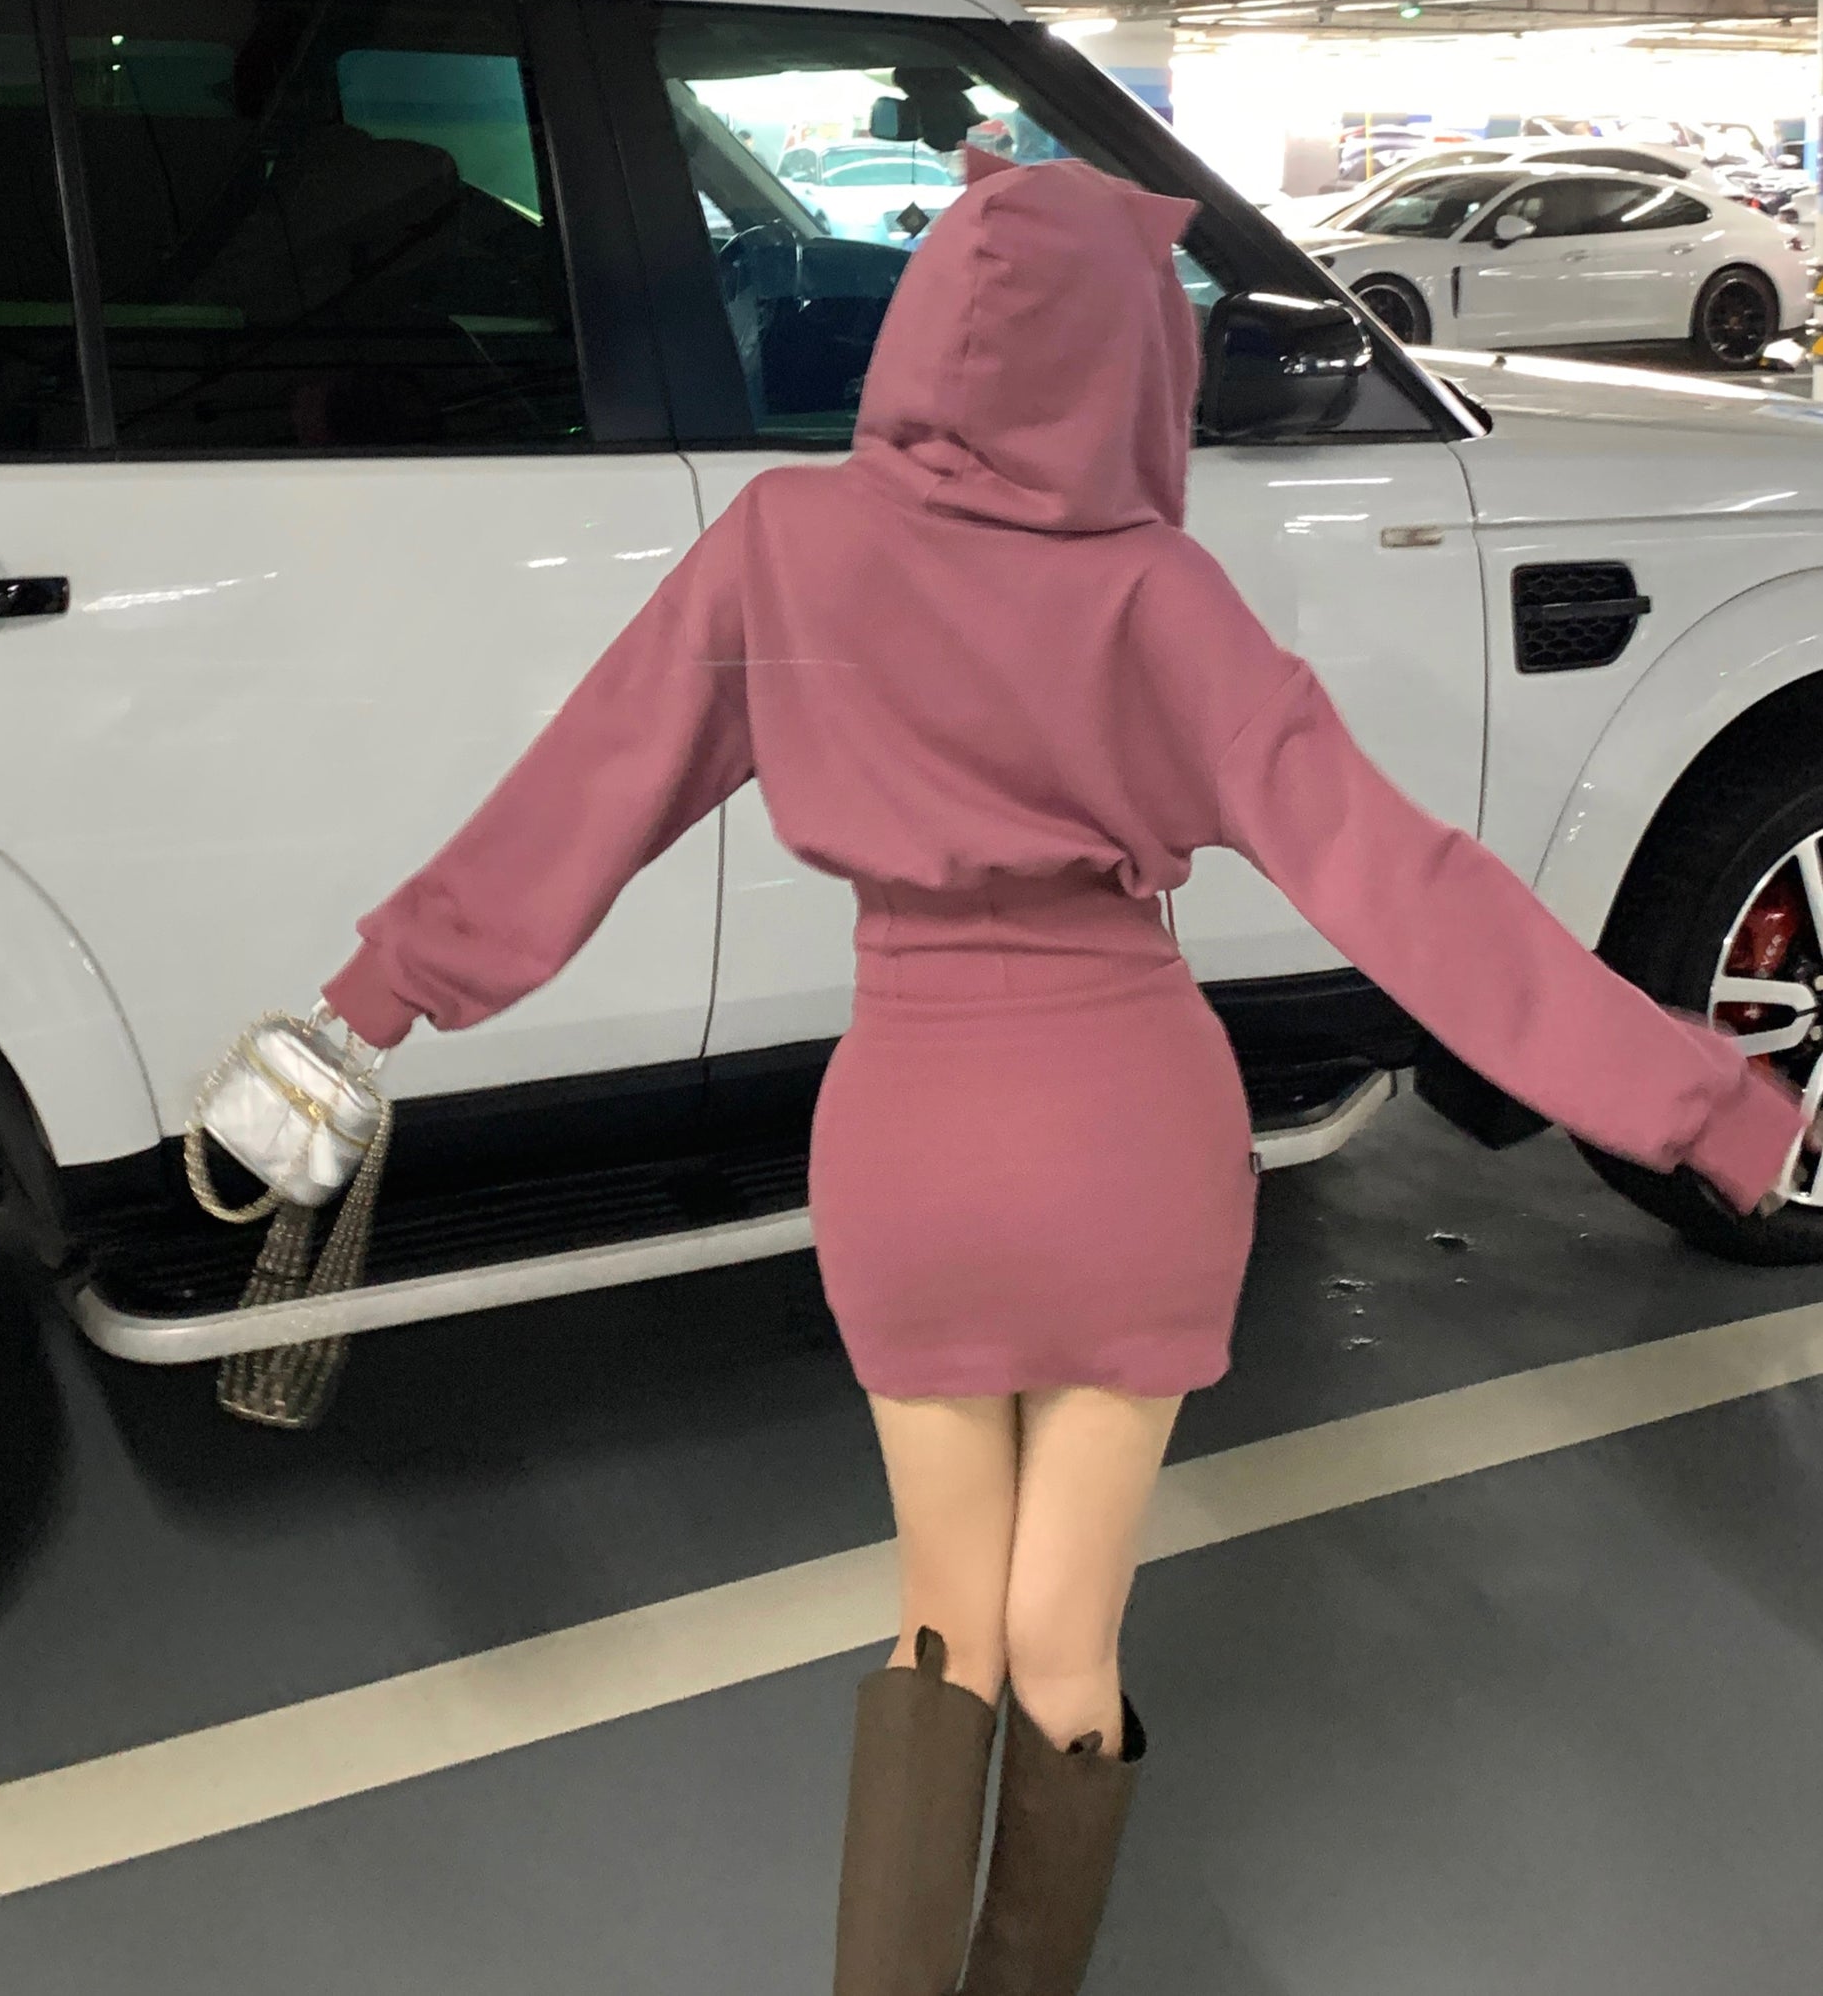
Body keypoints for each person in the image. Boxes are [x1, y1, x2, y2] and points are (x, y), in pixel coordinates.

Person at [317, 160, 1815, 1996]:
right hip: (1128, 1140)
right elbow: (1410, 890)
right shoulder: (1160, 595)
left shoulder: (784, 542)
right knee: (1062, 1640)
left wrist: (369, 1002)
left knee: (938, 1624)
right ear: (1127, 374)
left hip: (908, 1140)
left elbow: (582, 801)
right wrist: (1703, 1103)